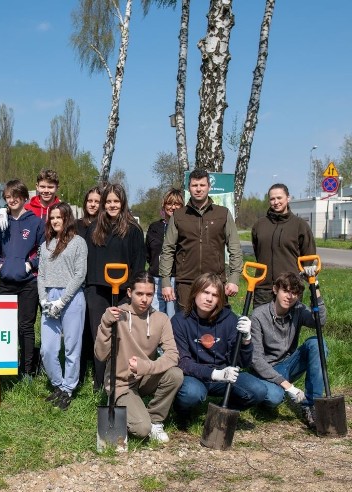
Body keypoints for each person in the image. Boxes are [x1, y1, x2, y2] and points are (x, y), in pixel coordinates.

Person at [94, 272, 183, 443]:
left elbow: (173, 356)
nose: (144, 299)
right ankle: (142, 419)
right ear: (129, 293)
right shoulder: (116, 316)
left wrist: (147, 367)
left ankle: (156, 420)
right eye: (139, 294)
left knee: (175, 374)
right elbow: (100, 354)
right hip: (120, 382)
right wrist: (105, 323)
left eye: (149, 294)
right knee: (142, 429)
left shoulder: (161, 319)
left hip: (144, 376)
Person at [172, 273, 266, 425]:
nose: (209, 299)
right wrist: (215, 374)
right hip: (194, 377)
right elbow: (183, 362)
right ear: (195, 292)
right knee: (191, 394)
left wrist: (247, 339)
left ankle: (218, 411)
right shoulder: (180, 321)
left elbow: (243, 362)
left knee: (258, 390)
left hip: (225, 375)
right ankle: (183, 413)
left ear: (220, 299)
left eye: (215, 295)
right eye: (205, 292)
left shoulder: (230, 319)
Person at [84, 183, 146, 391]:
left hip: (123, 291)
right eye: (108, 201)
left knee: (121, 335)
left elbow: (138, 262)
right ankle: (99, 380)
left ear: (123, 203)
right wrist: (88, 287)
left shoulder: (133, 230)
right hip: (97, 290)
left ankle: (119, 379)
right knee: (100, 334)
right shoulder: (94, 229)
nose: (112, 205)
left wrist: (132, 290)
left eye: (116, 201)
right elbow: (88, 260)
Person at [249, 271, 327, 429]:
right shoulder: (258, 315)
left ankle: (312, 405)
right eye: (286, 291)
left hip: (289, 364)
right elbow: (256, 359)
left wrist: (315, 285)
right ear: (275, 289)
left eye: (294, 293)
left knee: (317, 343)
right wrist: (288, 386)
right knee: (273, 398)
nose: (289, 296)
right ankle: (266, 392)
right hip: (266, 369)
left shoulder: (297, 309)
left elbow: (320, 321)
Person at [159, 169, 243, 310]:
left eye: (202, 185)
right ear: (189, 188)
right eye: (194, 185)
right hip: (186, 283)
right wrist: (166, 282)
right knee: (186, 326)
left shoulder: (223, 214)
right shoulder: (179, 215)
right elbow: (168, 249)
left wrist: (234, 278)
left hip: (215, 282)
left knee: (217, 326)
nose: (198, 189)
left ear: (209, 187)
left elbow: (234, 247)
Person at [0, 179, 45, 379]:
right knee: (2, 325)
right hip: (6, 282)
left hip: (29, 283)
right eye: (8, 197)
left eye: (16, 196)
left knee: (26, 326)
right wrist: (1, 266)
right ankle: (2, 366)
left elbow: (44, 249)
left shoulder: (36, 222)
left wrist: (30, 265)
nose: (12, 200)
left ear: (24, 198)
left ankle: (27, 370)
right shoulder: (0, 221)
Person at [38, 202, 88, 410]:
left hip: (72, 297)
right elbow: (41, 274)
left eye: (59, 217)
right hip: (50, 297)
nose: (55, 221)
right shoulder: (46, 245)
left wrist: (63, 300)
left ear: (67, 219)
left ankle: (68, 388)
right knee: (48, 349)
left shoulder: (78, 243)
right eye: (52, 217)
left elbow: (79, 274)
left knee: (71, 348)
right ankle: (58, 384)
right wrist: (44, 299)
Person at [251, 183, 317, 308]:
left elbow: (308, 256)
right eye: (272, 199)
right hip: (263, 287)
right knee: (260, 325)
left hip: (290, 288)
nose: (276, 202)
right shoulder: (259, 225)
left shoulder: (300, 225)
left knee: (289, 326)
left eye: (279, 198)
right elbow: (258, 251)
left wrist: (297, 279)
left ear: (288, 198)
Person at [145, 188, 184, 318]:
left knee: (173, 318)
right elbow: (149, 254)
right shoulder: (154, 227)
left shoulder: (184, 228)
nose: (173, 207)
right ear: (164, 205)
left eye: (177, 204)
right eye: (169, 203)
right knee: (155, 318)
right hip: (156, 279)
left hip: (175, 278)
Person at [76, 186, 101, 384]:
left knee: (95, 329)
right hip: (77, 282)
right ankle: (80, 371)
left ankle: (97, 371)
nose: (93, 204)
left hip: (95, 282)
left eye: (97, 201)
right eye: (90, 200)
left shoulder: (104, 227)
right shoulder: (77, 226)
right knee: (80, 329)